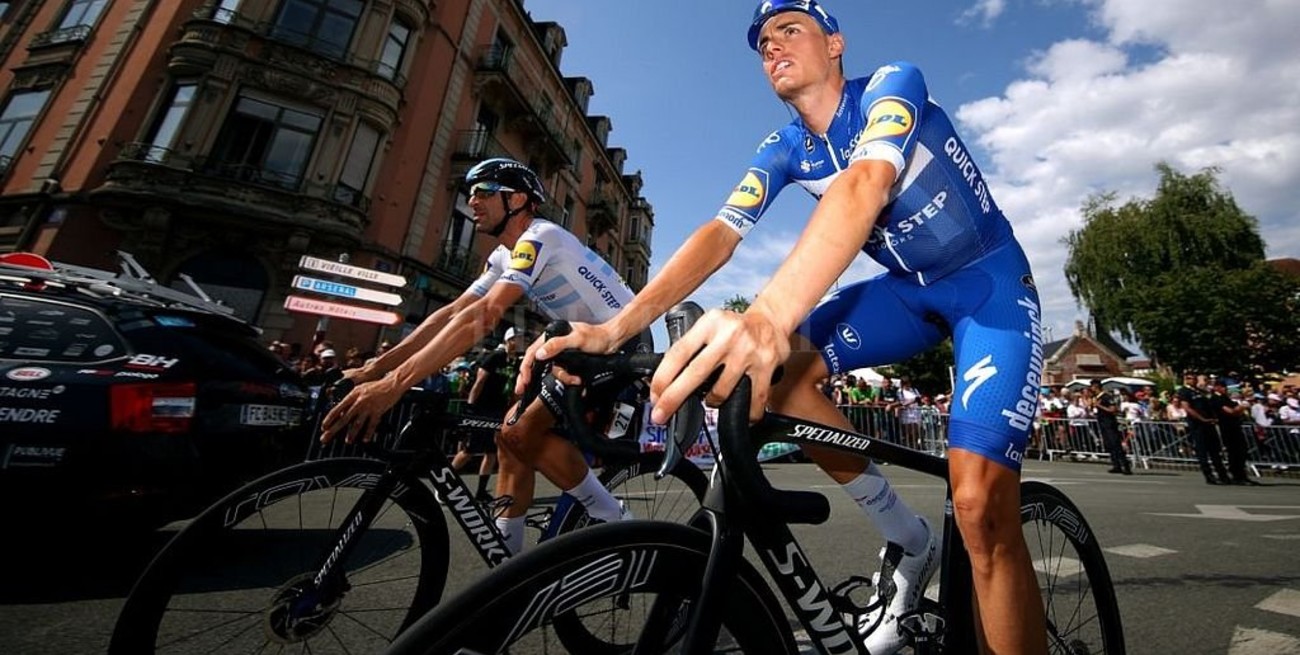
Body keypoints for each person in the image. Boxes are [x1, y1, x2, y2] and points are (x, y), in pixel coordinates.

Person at [525, 2, 1047, 651]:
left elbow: (864, 183)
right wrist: (614, 330)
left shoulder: (890, 83)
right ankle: (911, 539)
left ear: (835, 44)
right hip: (907, 291)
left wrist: (768, 315)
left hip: (987, 282)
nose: (772, 46)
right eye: (763, 41)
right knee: (784, 376)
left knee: (980, 507)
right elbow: (719, 235)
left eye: (789, 30)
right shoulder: (785, 147)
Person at [321, 157, 641, 555]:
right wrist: (375, 369)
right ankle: (507, 560)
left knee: (519, 433)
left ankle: (614, 521)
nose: (472, 201)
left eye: (484, 192)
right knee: (507, 440)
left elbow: (486, 316)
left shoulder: (541, 236)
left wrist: (395, 385)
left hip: (622, 342)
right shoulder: (503, 257)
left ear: (518, 200)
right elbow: (455, 312)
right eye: (470, 193)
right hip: (578, 343)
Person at [451, 327, 523, 502]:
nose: (521, 342)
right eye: (517, 338)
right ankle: (447, 483)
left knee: (491, 452)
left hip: (499, 410)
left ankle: (481, 491)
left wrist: (513, 409)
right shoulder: (494, 357)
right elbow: (479, 382)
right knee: (470, 449)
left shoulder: (516, 362)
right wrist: (470, 406)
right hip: (482, 408)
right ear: (509, 340)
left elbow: (514, 388)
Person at [1176, 372, 1230, 485]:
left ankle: (1222, 474)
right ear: (1186, 379)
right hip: (1198, 425)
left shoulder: (1201, 391)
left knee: (1215, 450)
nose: (1194, 380)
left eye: (1195, 378)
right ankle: (1209, 475)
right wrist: (1202, 419)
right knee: (1202, 451)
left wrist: (1213, 417)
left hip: (1209, 423)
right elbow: (1187, 408)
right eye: (1191, 378)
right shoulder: (1184, 391)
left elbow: (1209, 404)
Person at [1209, 380, 1257, 485]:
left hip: (1235, 426)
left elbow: (1235, 409)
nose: (1224, 389)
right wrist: (1243, 405)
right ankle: (1237, 475)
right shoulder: (1215, 399)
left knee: (1242, 451)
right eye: (1222, 386)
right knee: (1234, 452)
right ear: (1216, 387)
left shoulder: (1226, 398)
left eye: (1225, 386)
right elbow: (1230, 411)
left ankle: (1242, 475)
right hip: (1226, 428)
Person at [1092, 380, 1130, 475]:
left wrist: (1099, 405)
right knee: (1110, 445)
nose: (1091, 389)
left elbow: (1113, 409)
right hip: (1103, 423)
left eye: (1092, 386)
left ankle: (1125, 466)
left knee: (1116, 444)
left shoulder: (1106, 397)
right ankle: (1116, 465)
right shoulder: (1096, 397)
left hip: (1109, 423)